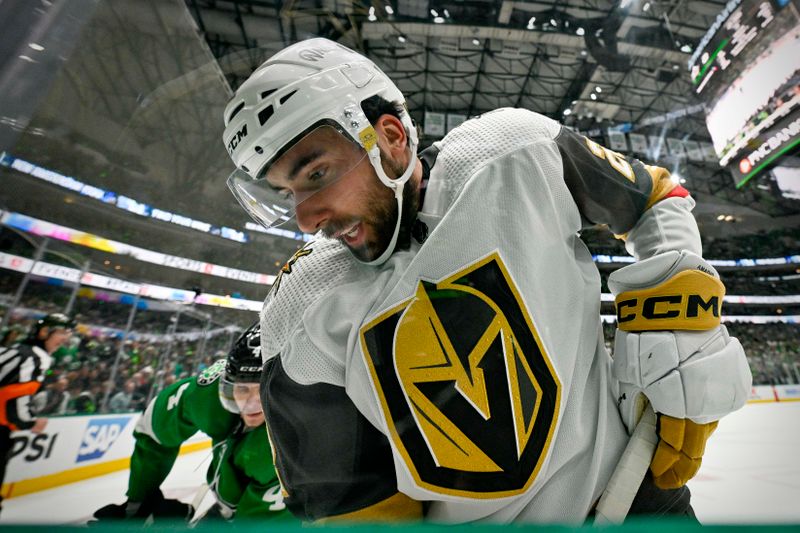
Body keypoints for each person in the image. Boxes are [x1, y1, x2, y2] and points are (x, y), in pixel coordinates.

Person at [223, 38, 752, 522]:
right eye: (287, 192)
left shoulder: (513, 150)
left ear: (388, 136)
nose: (306, 218)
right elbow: (354, 508)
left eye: (316, 174)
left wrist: (678, 328)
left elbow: (656, 199)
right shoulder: (299, 313)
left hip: (642, 500)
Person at [93, 322, 291, 524]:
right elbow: (154, 431)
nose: (250, 405)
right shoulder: (207, 397)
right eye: (242, 390)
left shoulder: (291, 448)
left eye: (262, 391)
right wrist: (139, 502)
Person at [0, 313, 74, 515]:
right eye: (62, 332)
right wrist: (30, 422)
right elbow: (13, 397)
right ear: (43, 332)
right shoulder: (35, 357)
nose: (66, 338)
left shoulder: (16, 350)